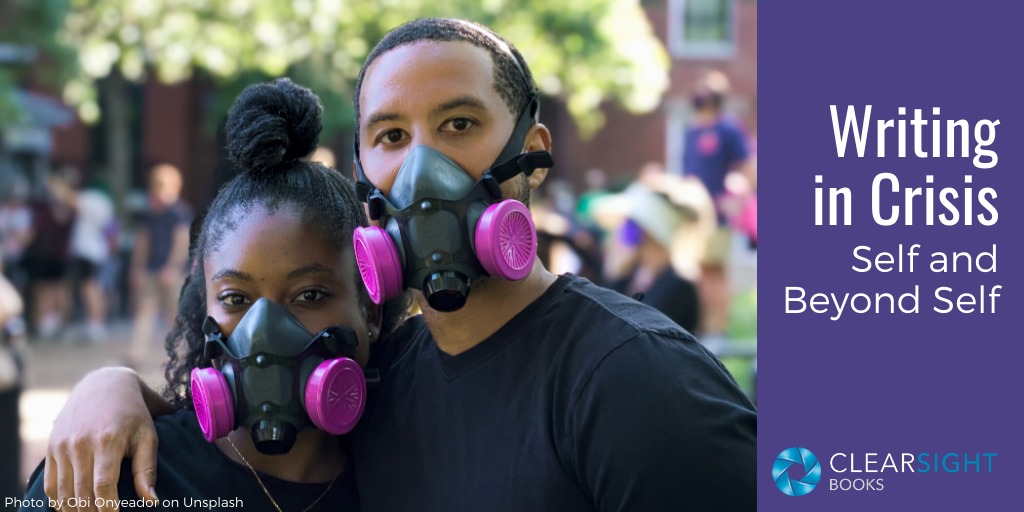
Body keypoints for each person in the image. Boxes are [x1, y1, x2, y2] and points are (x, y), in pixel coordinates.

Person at [44, 18, 756, 511]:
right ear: (362, 175)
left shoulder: (631, 381)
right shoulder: (382, 381)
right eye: (390, 135)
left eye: (459, 124)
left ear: (533, 146)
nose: (422, 168)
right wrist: (117, 389)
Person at [21, 78, 408, 511]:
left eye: (310, 294)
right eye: (236, 299)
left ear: (371, 311)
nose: (262, 331)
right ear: (203, 310)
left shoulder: (409, 469)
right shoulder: (118, 476)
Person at [682, 71, 755, 338]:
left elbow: (750, 165)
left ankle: (718, 332)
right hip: (693, 214)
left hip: (717, 217)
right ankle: (703, 328)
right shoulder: (692, 131)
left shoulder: (728, 128)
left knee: (716, 272)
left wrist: (738, 199)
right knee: (700, 272)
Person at [127, 163, 192, 366]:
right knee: (144, 311)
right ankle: (137, 353)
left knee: (174, 315)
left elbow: (182, 242)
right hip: (152, 270)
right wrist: (137, 268)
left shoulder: (180, 212)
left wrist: (172, 267)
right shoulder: (151, 214)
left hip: (172, 272)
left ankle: (178, 354)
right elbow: (143, 242)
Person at [68, 178, 115, 342]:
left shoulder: (91, 200)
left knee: (89, 288)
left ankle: (95, 323)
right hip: (98, 250)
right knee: (95, 288)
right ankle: (97, 322)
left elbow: (70, 200)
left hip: (86, 251)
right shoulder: (107, 204)